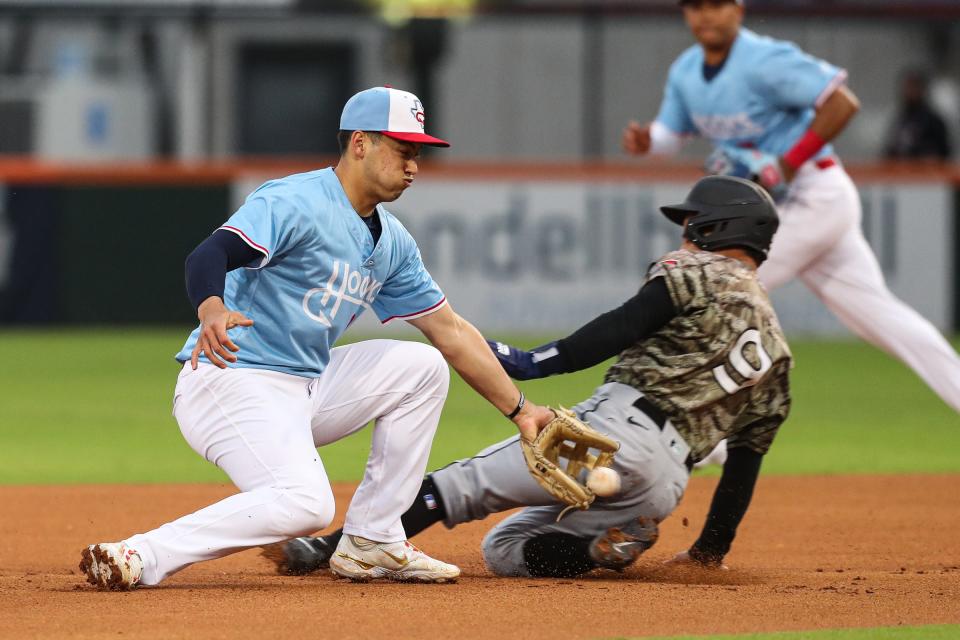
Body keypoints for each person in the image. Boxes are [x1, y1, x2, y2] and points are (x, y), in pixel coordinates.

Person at [78, 86, 553, 590]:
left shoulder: (392, 241)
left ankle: (373, 541)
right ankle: (140, 554)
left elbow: (451, 332)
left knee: (424, 367)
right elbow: (208, 255)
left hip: (306, 386)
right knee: (306, 503)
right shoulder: (295, 201)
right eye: (403, 149)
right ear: (360, 144)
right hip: (230, 378)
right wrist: (212, 306)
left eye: (418, 154)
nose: (414, 165)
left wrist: (522, 412)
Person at [265, 175, 793, 578]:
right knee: (504, 551)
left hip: (611, 441)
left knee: (456, 486)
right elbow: (745, 462)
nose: (686, 231)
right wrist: (707, 553)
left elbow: (621, 326)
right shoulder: (778, 353)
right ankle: (593, 548)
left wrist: (531, 362)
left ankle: (324, 549)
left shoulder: (699, 270)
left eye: (693, 220)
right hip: (666, 484)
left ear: (717, 226)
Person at [621, 0, 960, 445]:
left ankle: (692, 442)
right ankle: (708, 442)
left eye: (716, 4)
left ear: (738, 9)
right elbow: (670, 134)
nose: (706, 14)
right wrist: (648, 140)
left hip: (812, 198)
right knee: (883, 317)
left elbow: (842, 103)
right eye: (695, 5)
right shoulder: (687, 70)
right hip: (778, 211)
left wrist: (787, 163)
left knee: (702, 295)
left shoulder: (765, 59)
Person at [884, 68, 953, 161]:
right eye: (907, 87)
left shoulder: (933, 122)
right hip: (900, 174)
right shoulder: (901, 120)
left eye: (914, 86)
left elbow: (942, 154)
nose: (910, 91)